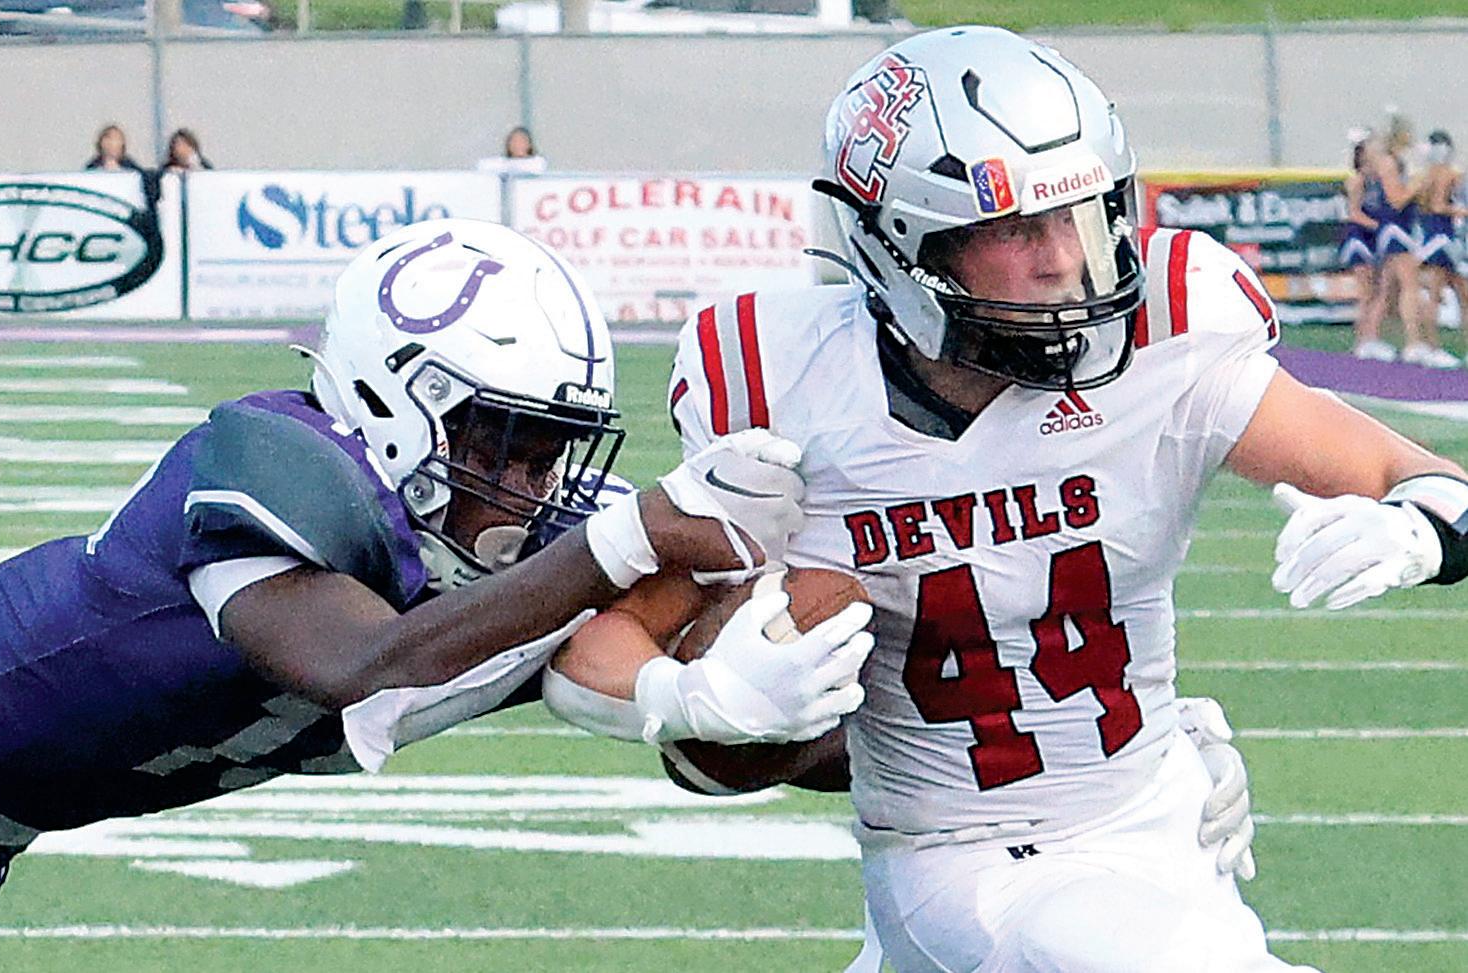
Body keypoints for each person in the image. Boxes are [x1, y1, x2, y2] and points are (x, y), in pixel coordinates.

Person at [543, 27, 1468, 972]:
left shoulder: (1168, 336)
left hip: (1160, 827)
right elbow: (592, 650)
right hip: (957, 863)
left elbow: (1428, 481)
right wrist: (693, 697)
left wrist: (1422, 533)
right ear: (901, 245)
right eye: (1016, 227)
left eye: (1081, 212)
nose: (1063, 257)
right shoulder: (789, 392)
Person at [0, 219, 873, 937]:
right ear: (395, 403)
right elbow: (361, 665)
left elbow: (609, 660)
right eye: (501, 445)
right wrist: (629, 535)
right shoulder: (269, 464)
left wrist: (731, 703)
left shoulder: (539, 546)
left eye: (548, 454)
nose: (529, 488)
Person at [1369, 116, 1458, 367]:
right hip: (1395, 228)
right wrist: (1417, 185)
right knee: (1410, 285)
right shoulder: (1388, 162)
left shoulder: (1399, 161)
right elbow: (1396, 200)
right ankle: (1412, 343)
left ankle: (1371, 338)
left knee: (1387, 288)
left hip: (1404, 227)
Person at [1342, 131, 1391, 360]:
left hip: (1370, 237)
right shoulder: (1357, 180)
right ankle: (1364, 340)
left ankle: (1371, 337)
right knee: (1367, 292)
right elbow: (1353, 213)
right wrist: (1380, 226)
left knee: (1376, 290)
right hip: (1358, 237)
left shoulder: (1375, 180)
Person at [1417, 129, 1468, 345]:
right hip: (1441, 236)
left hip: (1435, 233)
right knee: (1440, 291)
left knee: (1460, 292)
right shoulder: (1445, 174)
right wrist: (1462, 211)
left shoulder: (1427, 174)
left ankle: (1433, 344)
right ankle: (1431, 345)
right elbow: (1437, 206)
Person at [476, 126, 549, 176]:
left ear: (529, 144)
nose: (517, 144)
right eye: (514, 141)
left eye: (521, 141)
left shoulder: (537, 162)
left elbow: (531, 169)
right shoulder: (503, 163)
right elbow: (482, 165)